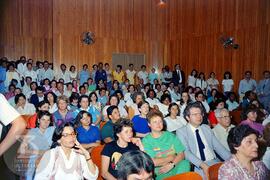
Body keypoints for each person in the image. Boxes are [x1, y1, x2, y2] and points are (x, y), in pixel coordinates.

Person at [176, 102, 231, 179]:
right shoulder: (181, 132)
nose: (199, 116)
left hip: (214, 162)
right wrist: (203, 165)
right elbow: (186, 153)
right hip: (197, 166)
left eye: (200, 114)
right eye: (195, 114)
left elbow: (219, 147)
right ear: (187, 117)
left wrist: (233, 160)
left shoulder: (206, 128)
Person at [143, 110, 190, 180]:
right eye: (155, 122)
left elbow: (181, 154)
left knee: (185, 163)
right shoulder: (146, 140)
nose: (158, 124)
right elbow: (153, 162)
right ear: (149, 124)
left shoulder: (171, 135)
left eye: (160, 121)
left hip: (174, 167)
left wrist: (172, 164)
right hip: (160, 172)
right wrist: (171, 157)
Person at [17, 111, 55, 179]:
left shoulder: (53, 130)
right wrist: (38, 152)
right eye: (43, 119)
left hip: (49, 157)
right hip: (34, 158)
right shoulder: (32, 132)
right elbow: (20, 149)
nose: (46, 122)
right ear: (38, 120)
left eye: (48, 120)